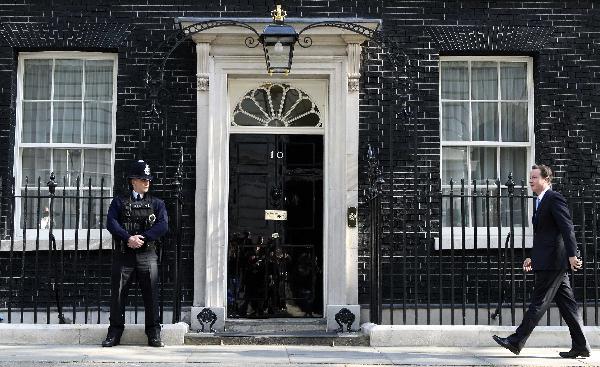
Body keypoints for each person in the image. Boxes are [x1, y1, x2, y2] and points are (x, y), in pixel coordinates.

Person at [492, 164, 590, 358]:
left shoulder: (554, 199)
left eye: (534, 177)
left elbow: (567, 228)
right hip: (549, 260)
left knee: (539, 302)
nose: (530, 180)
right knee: (568, 306)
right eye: (530, 177)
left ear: (546, 180)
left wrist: (573, 254)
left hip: (554, 262)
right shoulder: (539, 201)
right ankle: (581, 346)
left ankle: (516, 341)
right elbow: (544, 236)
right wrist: (532, 256)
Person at [102, 160, 168, 347]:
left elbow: (163, 226)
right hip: (125, 254)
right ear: (133, 181)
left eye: (148, 179)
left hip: (147, 255)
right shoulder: (119, 202)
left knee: (151, 295)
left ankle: (154, 333)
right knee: (118, 295)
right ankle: (114, 333)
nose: (147, 182)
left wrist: (144, 237)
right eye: (142, 179)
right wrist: (128, 238)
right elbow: (111, 223)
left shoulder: (157, 203)